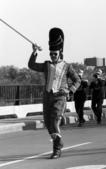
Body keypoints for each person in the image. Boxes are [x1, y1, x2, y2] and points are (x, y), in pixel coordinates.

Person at [28, 28, 81, 159]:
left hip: (60, 97)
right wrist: (34, 52)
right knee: (47, 123)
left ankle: (56, 149)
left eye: (55, 54)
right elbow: (31, 65)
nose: (52, 56)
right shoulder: (46, 65)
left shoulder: (67, 66)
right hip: (47, 96)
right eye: (51, 54)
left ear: (60, 53)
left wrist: (70, 90)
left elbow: (77, 80)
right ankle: (59, 142)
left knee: (55, 121)